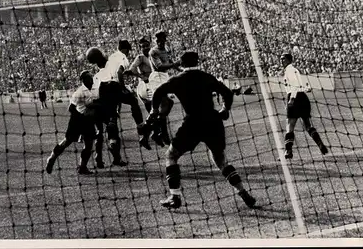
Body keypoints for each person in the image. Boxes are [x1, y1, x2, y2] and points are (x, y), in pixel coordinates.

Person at [147, 51, 256, 209]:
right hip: (213, 121)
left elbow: (158, 92)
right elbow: (226, 93)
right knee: (221, 160)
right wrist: (225, 109)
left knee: (171, 155)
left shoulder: (177, 79)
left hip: (193, 123)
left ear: (182, 63)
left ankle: (175, 196)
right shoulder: (207, 76)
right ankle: (243, 192)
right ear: (197, 61)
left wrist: (154, 111)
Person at [94, 40, 152, 150]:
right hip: (114, 85)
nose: (129, 53)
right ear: (125, 49)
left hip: (103, 87)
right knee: (133, 101)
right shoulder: (123, 57)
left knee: (112, 115)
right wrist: (123, 88)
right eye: (128, 51)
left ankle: (112, 140)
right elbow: (119, 72)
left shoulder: (111, 57)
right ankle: (140, 128)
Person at [45, 71, 101, 175]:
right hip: (77, 119)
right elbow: (71, 108)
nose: (91, 79)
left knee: (89, 144)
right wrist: (81, 117)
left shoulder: (93, 90)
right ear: (84, 80)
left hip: (88, 121)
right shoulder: (79, 92)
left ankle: (82, 167)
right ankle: (52, 158)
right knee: (67, 141)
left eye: (91, 77)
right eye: (89, 78)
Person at [280, 53, 328, 160]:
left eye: (283, 59)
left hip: (295, 97)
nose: (281, 61)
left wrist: (292, 99)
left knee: (289, 125)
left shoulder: (289, 70)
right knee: (307, 125)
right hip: (303, 98)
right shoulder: (295, 70)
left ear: (288, 60)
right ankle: (320, 144)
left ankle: (288, 151)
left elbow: (295, 85)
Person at [147, 31, 182, 146]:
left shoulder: (165, 49)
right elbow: (159, 66)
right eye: (159, 40)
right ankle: (163, 134)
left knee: (169, 103)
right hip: (157, 77)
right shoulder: (153, 51)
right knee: (165, 103)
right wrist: (173, 65)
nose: (161, 42)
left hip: (164, 77)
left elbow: (170, 62)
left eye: (163, 40)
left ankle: (155, 130)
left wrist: (182, 71)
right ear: (155, 40)